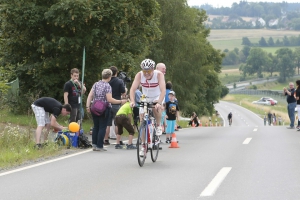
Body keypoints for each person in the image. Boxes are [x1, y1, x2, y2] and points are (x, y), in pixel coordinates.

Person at [86, 69, 127, 152]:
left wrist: (87, 106)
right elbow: (109, 99)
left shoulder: (96, 84)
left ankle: (94, 144)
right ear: (109, 77)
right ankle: (99, 145)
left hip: (94, 107)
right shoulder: (107, 86)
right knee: (102, 127)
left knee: (96, 126)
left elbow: (90, 95)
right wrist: (120, 101)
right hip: (104, 108)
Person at [129, 59, 166, 136]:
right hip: (145, 96)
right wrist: (132, 101)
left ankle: (158, 125)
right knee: (142, 119)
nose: (146, 73)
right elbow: (132, 89)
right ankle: (143, 144)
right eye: (144, 71)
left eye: (148, 71)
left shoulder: (159, 75)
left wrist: (159, 102)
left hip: (157, 95)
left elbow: (163, 90)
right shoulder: (139, 75)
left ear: (153, 69)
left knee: (155, 107)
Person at [104, 66, 126, 145]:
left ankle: (106, 140)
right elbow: (123, 93)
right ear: (116, 73)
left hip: (107, 104)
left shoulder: (106, 81)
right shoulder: (119, 81)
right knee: (117, 123)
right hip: (116, 103)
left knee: (107, 123)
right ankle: (118, 140)